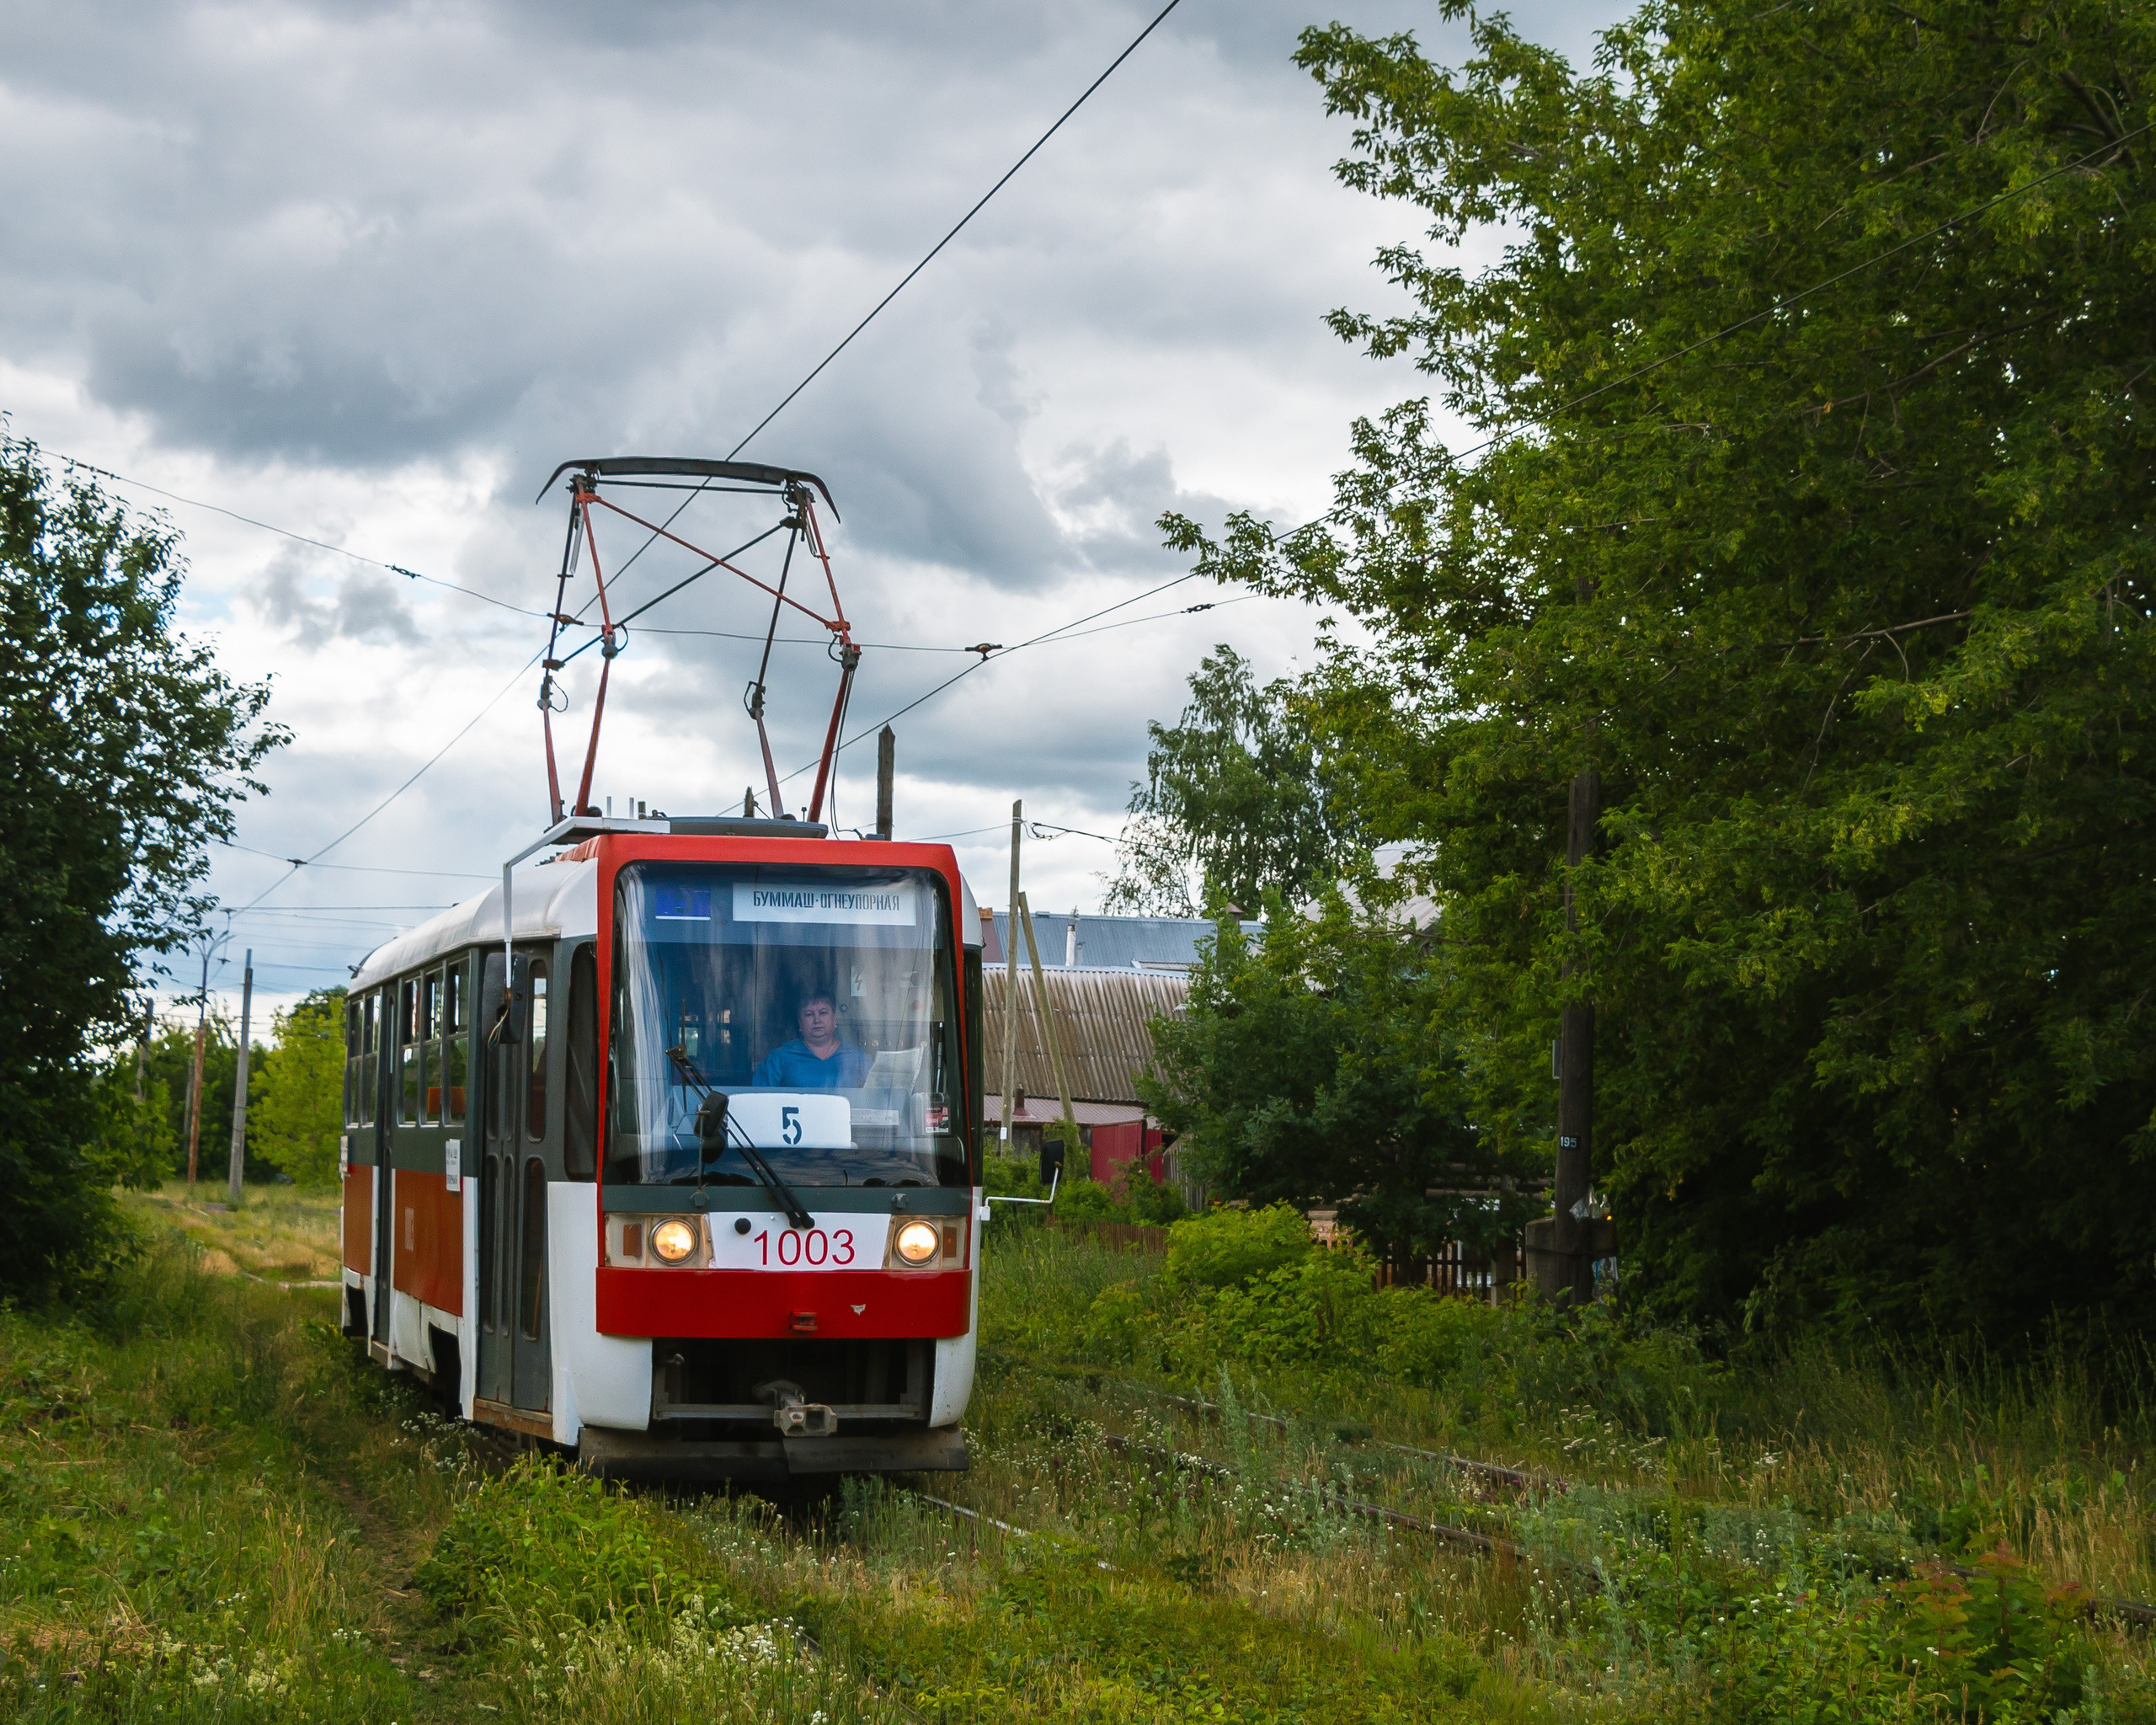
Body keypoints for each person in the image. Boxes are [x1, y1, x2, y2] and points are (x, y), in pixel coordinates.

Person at [750, 989, 871, 1087]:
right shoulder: (780, 1058)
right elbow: (759, 1100)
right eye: (809, 1014)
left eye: (823, 1013)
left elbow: (877, 1097)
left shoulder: (857, 1057)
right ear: (800, 1022)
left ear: (835, 1018)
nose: (817, 1020)